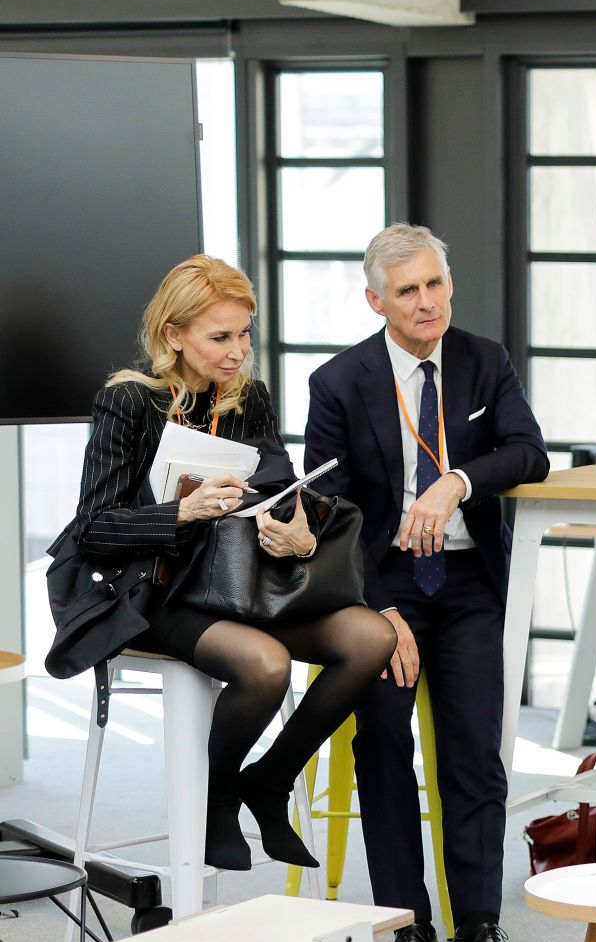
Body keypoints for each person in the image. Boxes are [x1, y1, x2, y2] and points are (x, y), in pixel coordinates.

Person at [51, 255, 394, 874]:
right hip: (155, 596)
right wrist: (181, 514)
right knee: (267, 664)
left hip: (238, 586)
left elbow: (280, 486)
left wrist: (294, 530)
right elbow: (91, 531)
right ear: (173, 335)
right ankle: (218, 799)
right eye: (220, 338)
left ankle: (269, 779)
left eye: (244, 333)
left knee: (373, 635)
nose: (238, 352)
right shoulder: (128, 403)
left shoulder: (248, 399)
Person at [304, 224, 550, 942]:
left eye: (434, 284)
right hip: (381, 585)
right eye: (406, 290)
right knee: (381, 740)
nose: (425, 302)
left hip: (471, 580)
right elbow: (324, 512)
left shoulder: (484, 360)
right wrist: (381, 613)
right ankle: (405, 924)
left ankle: (479, 922)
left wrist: (456, 483)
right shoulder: (339, 383)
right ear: (375, 299)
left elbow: (529, 452)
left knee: (476, 748)